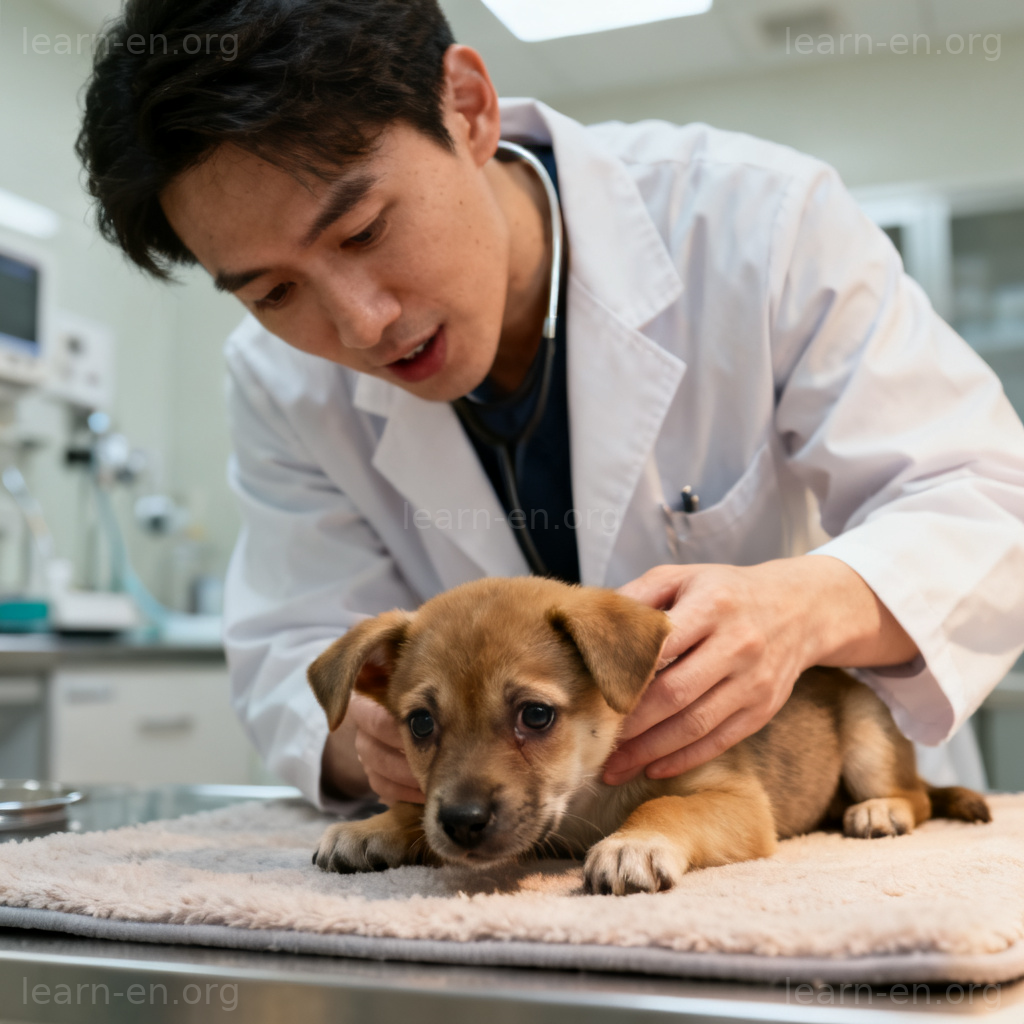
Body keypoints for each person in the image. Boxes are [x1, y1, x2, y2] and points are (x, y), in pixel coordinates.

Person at [77, 0, 1024, 809]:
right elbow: (292, 646)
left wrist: (805, 607)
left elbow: (984, 496)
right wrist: (372, 740)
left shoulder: (755, 222)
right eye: (272, 292)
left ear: (469, 107)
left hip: (800, 823)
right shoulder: (277, 380)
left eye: (364, 229)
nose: (360, 325)